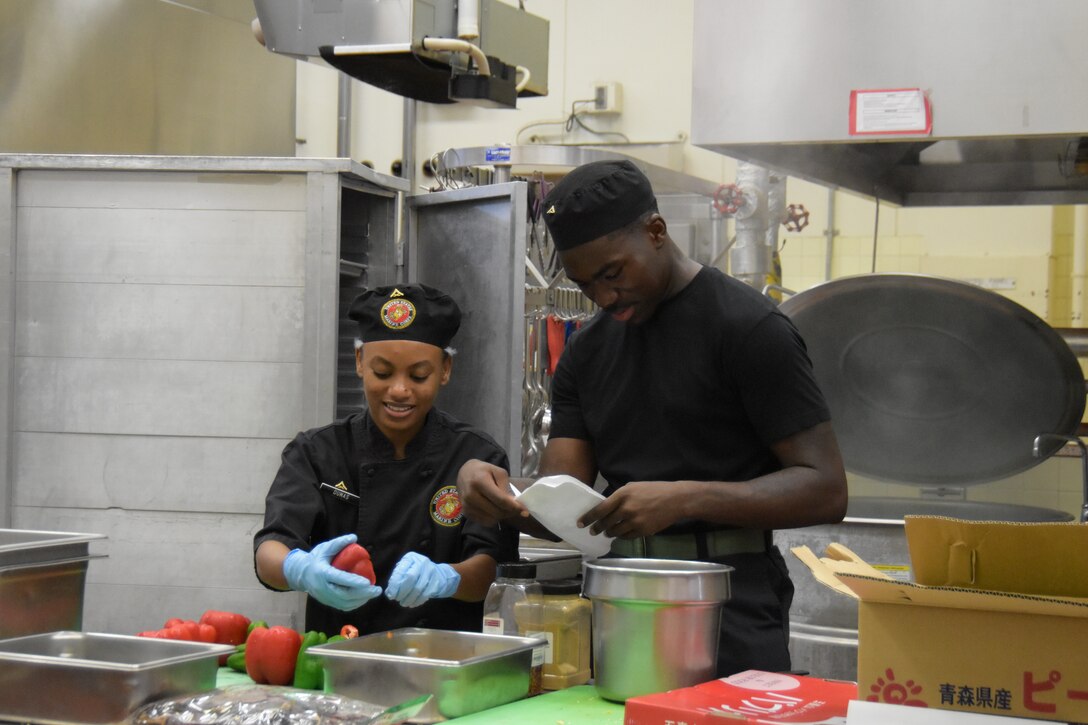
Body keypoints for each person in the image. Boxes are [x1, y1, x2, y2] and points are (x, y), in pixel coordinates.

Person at [456, 160, 848, 675]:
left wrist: (684, 496)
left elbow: (825, 488)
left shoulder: (749, 329)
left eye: (613, 273)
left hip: (728, 594)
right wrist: (499, 492)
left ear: (656, 231)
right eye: (585, 283)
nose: (604, 297)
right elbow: (563, 501)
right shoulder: (587, 354)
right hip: (621, 596)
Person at [254, 283, 518, 637]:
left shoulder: (476, 455)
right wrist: (299, 569)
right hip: (341, 655)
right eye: (383, 372)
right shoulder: (317, 452)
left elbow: (490, 569)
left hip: (442, 660)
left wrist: (447, 578)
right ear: (360, 362)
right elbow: (271, 548)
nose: (398, 390)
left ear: (445, 369)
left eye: (418, 376)